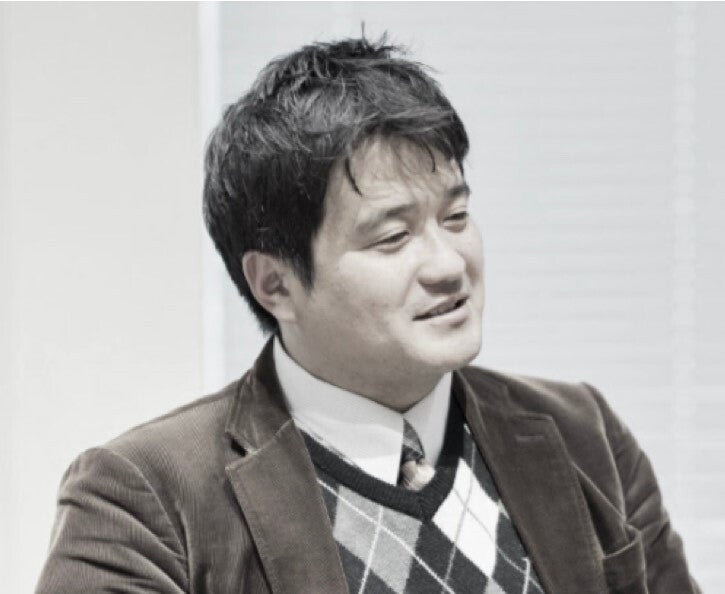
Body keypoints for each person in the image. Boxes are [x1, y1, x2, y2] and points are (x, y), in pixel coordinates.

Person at [36, 37, 699, 594]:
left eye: (456, 217)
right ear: (275, 284)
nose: (448, 264)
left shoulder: (581, 433)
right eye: (392, 237)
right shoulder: (144, 498)